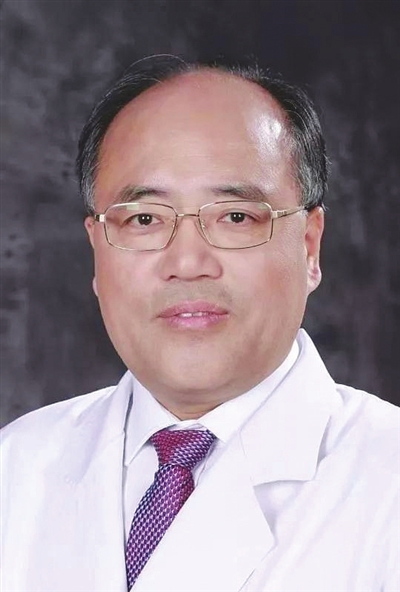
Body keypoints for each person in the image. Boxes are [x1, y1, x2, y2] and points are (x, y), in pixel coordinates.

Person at [1, 55, 399, 592]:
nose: (187, 263)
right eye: (144, 219)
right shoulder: (16, 469)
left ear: (309, 246)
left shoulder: (386, 481)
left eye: (235, 217)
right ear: (97, 249)